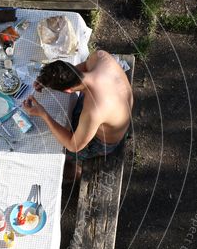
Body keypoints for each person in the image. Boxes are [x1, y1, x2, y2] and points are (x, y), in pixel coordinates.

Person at [22, 50, 133, 181]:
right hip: (116, 110)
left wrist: (43, 114)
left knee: (54, 148)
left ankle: (75, 173)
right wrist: (48, 80)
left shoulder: (94, 111)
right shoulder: (100, 57)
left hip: (103, 141)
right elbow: (84, 67)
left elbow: (73, 145)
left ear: (68, 90)